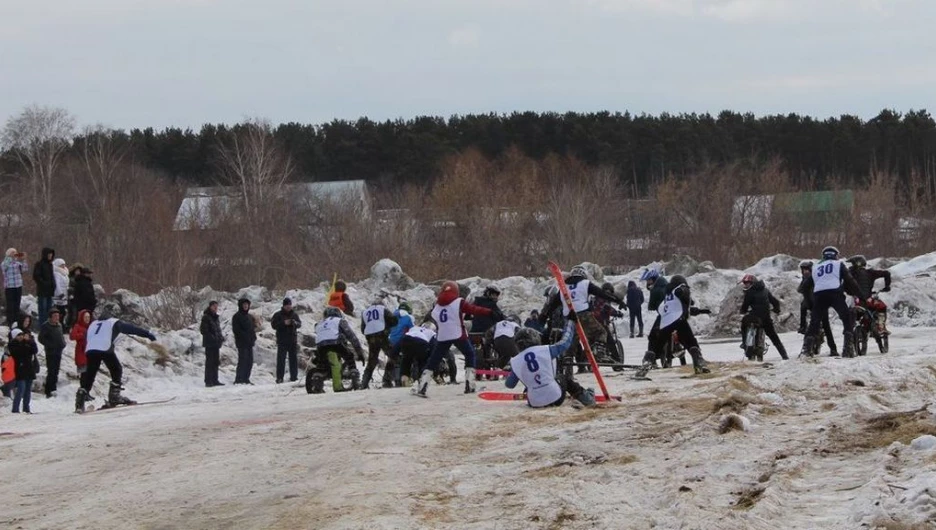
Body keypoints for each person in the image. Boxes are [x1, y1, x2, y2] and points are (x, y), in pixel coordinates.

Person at [414, 280, 494, 397]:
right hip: (457, 333)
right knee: (470, 354)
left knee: (434, 359)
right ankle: (469, 384)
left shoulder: (437, 306)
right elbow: (473, 309)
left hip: (443, 335)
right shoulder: (458, 302)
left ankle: (423, 385)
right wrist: (489, 312)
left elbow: (433, 316)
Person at [540, 266, 625, 372]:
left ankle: (567, 361)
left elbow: (552, 304)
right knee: (600, 332)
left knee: (573, 341)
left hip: (570, 317)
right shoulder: (585, 283)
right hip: (584, 314)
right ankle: (599, 352)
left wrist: (543, 316)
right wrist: (618, 300)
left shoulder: (563, 287)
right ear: (583, 275)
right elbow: (602, 294)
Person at [505, 318, 597, 408]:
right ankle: (587, 399)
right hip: (556, 397)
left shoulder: (515, 360)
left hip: (534, 402)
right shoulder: (546, 349)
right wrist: (570, 323)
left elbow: (509, 385)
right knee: (563, 378)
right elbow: (565, 343)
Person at [74, 315, 157, 412]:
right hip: (104, 347)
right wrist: (147, 334)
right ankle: (114, 396)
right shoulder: (113, 322)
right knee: (116, 369)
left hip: (91, 349)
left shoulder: (94, 323)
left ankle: (80, 400)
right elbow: (131, 329)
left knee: (90, 374)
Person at [636, 275, 711, 377]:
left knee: (657, 346)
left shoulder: (668, 295)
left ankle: (646, 364)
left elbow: (664, 308)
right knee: (690, 341)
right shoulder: (680, 288)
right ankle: (699, 363)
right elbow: (682, 294)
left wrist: (701, 311)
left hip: (665, 322)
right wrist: (682, 291)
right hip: (679, 320)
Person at [802, 246, 861, 358]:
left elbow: (804, 287)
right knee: (847, 318)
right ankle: (847, 348)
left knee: (814, 323)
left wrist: (810, 303)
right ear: (835, 255)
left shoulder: (816, 267)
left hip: (819, 295)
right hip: (835, 293)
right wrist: (860, 295)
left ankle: (807, 350)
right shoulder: (839, 264)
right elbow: (850, 280)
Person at [307, 306, 364, 393]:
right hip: (335, 343)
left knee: (321, 365)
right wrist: (359, 352)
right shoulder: (339, 320)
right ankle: (355, 379)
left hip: (321, 345)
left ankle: (317, 383)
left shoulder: (320, 323)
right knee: (349, 356)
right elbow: (351, 336)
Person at [738, 274, 789, 360]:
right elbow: (775, 302)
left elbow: (744, 307)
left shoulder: (749, 292)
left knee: (743, 324)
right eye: (745, 283)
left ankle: (744, 343)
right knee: (774, 338)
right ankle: (784, 356)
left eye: (747, 283)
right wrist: (776, 310)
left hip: (754, 318)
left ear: (752, 283)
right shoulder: (765, 290)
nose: (746, 285)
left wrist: (743, 311)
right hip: (766, 318)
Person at [797, 261, 837, 356]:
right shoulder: (804, 279)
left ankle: (833, 349)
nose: (805, 272)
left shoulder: (817, 277)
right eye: (803, 270)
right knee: (802, 307)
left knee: (826, 326)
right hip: (809, 303)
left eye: (807, 270)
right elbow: (800, 289)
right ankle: (802, 326)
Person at [847, 255, 892, 335]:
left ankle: (849, 333)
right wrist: (887, 286)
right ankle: (881, 327)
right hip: (868, 301)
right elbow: (886, 273)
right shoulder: (870, 272)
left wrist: (849, 292)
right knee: (882, 306)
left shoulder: (849, 273)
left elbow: (844, 286)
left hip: (855, 302)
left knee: (849, 315)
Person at [359, 297, 399, 388]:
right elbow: (394, 320)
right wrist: (387, 327)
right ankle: (389, 380)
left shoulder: (365, 312)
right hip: (382, 335)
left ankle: (364, 383)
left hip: (370, 338)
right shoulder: (383, 309)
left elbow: (363, 328)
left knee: (372, 360)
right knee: (393, 356)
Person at [393, 322, 437, 387]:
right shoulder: (432, 333)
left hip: (407, 340)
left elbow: (401, 340)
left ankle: (405, 378)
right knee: (422, 361)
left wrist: (393, 352)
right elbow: (433, 347)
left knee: (406, 360)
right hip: (422, 343)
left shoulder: (414, 328)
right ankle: (421, 379)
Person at [271, 298, 302, 384]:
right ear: (284, 306)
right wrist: (283, 323)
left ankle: (294, 377)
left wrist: (294, 323)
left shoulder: (294, 314)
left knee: (293, 360)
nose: (288, 307)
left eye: (289, 305)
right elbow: (273, 325)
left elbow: (299, 324)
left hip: (292, 339)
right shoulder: (277, 315)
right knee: (281, 360)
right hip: (282, 340)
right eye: (287, 305)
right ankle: (280, 378)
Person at [38, 308, 67, 397]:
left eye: (58, 316)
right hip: (50, 352)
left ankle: (54, 388)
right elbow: (41, 338)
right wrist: (49, 344)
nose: (57, 318)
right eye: (55, 316)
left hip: (58, 351)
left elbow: (61, 336)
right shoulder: (46, 326)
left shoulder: (59, 325)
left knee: (56, 371)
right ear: (50, 317)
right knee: (51, 371)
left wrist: (63, 343)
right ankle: (48, 390)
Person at [9, 328, 38, 413]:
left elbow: (34, 350)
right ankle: (15, 408)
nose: (21, 337)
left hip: (29, 368)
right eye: (19, 335)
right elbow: (18, 353)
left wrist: (30, 341)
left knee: (28, 390)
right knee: (21, 389)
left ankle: (26, 408)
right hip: (20, 369)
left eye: (22, 335)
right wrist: (25, 344)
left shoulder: (27, 343)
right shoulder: (13, 344)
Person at [232, 298, 257, 385]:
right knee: (243, 360)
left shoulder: (250, 316)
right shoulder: (237, 316)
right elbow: (236, 330)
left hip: (250, 342)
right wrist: (245, 336)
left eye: (247, 305)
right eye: (244, 305)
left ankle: (246, 378)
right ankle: (239, 379)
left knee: (249, 361)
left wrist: (253, 337)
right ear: (240, 306)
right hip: (242, 342)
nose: (246, 306)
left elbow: (252, 329)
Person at [199, 301, 224, 387]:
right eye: (214, 307)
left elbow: (218, 329)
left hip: (216, 343)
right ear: (210, 307)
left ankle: (215, 379)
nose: (215, 308)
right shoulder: (206, 317)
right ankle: (208, 380)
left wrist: (220, 338)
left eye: (216, 307)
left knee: (215, 362)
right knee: (209, 362)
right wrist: (212, 338)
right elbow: (203, 330)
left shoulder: (215, 317)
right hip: (209, 343)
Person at [2, 248, 28, 326]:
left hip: (18, 285)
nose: (15, 254)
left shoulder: (18, 263)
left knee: (17, 304)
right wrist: (10, 258)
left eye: (15, 252)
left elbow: (25, 269)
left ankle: (16, 321)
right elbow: (4, 268)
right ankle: (10, 321)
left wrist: (24, 260)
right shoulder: (4, 263)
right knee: (10, 305)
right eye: (13, 253)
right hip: (9, 286)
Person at [32, 247, 56, 325]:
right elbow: (36, 276)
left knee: (49, 310)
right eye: (49, 254)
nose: (50, 256)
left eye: (51, 254)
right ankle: (42, 326)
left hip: (50, 291)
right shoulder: (39, 264)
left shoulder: (50, 264)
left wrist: (53, 285)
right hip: (42, 291)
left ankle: (49, 325)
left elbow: (52, 276)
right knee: (42, 310)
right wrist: (44, 283)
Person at [70, 310, 92, 375]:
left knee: (89, 375)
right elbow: (72, 336)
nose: (87, 319)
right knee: (83, 374)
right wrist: (82, 335)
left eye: (88, 317)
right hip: (81, 352)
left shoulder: (91, 326)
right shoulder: (78, 326)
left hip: (90, 352)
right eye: (85, 317)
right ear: (81, 317)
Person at [52, 258, 69, 330]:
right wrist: (60, 293)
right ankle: (58, 324)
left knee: (63, 311)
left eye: (64, 265)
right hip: (59, 295)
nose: (63, 266)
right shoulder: (57, 273)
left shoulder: (65, 273)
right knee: (59, 311)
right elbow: (57, 284)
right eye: (62, 265)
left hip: (64, 294)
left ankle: (62, 324)